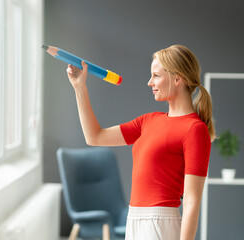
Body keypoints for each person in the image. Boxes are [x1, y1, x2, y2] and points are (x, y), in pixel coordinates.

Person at [66, 44, 215, 240]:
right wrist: (79, 87)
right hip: (134, 219)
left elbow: (192, 200)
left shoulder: (195, 130)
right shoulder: (148, 120)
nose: (149, 82)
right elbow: (95, 137)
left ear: (177, 79)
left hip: (161, 224)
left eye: (156, 76)